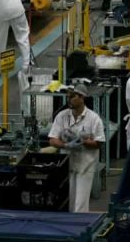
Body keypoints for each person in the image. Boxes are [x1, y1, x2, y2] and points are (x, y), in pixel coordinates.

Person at [48, 84, 105, 213]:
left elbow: (99, 143)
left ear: (82, 97)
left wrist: (82, 142)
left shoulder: (94, 119)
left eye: (72, 97)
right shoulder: (62, 116)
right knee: (68, 203)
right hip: (67, 165)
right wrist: (65, 145)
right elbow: (52, 139)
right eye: (68, 96)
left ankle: (81, 225)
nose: (69, 99)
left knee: (80, 205)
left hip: (86, 166)